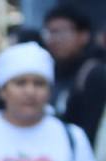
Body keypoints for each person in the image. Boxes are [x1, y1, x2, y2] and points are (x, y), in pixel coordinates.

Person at [42, 4, 106, 142]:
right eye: (49, 32)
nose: (54, 39)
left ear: (83, 36)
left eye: (61, 32)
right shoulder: (47, 71)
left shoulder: (94, 74)